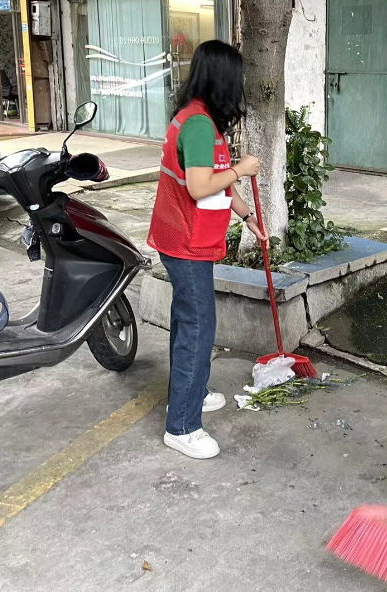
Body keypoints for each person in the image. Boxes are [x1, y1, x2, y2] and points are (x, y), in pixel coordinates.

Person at [147, 40, 266, 460]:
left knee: (189, 323)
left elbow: (212, 178)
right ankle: (182, 425)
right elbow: (200, 186)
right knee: (198, 328)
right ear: (224, 80)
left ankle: (191, 394)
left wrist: (244, 212)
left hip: (185, 238)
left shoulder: (198, 118)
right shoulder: (197, 125)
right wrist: (242, 168)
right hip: (185, 242)